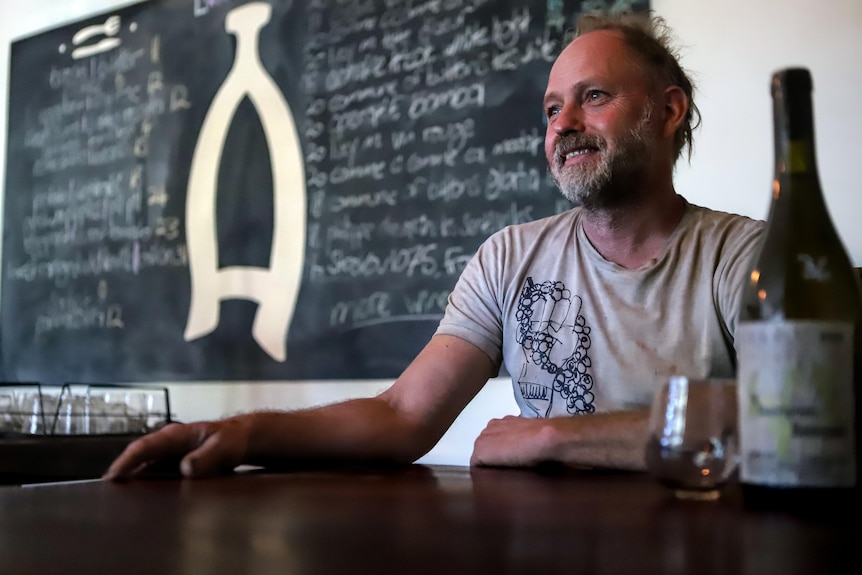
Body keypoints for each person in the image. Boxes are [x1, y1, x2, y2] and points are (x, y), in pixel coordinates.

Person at [104, 11, 763, 480]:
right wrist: (247, 433)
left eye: (593, 97)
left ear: (668, 110)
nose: (563, 125)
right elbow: (400, 415)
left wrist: (551, 434)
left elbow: (785, 415)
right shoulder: (508, 259)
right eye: (551, 108)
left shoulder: (744, 256)